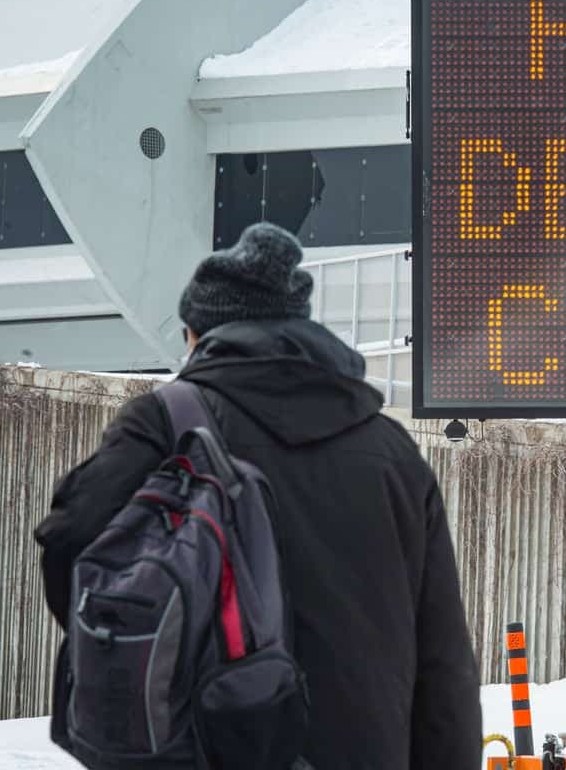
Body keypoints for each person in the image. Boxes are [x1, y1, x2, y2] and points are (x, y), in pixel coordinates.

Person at [34, 222, 481, 770]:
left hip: (207, 746)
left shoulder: (167, 421)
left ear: (199, 333)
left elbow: (70, 545)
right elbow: (443, 666)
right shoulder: (393, 452)